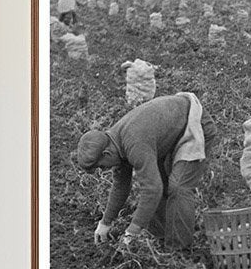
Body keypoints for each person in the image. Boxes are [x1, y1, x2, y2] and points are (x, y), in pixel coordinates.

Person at [76, 93, 217, 249]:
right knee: (158, 181)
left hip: (194, 123)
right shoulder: (115, 143)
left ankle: (179, 250)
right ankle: (160, 240)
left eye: (102, 166)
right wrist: (105, 222)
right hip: (171, 130)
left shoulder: (134, 143)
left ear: (106, 154)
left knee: (178, 186)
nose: (105, 170)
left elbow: (152, 189)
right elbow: (120, 187)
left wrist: (133, 230)